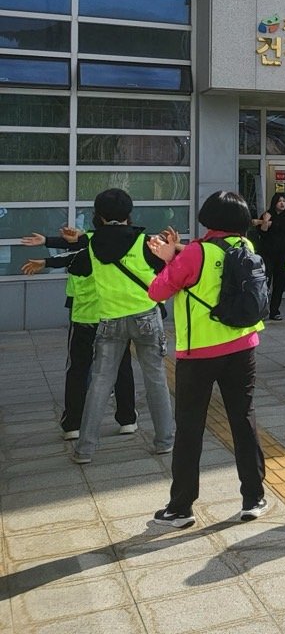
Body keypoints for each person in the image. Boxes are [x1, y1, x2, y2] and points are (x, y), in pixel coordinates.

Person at [144, 191, 270, 528]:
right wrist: (178, 253)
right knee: (243, 419)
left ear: (208, 218)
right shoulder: (245, 246)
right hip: (242, 345)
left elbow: (157, 291)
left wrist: (169, 259)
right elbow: (217, 261)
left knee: (190, 428)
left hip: (198, 352)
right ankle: (254, 498)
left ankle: (181, 508)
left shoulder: (195, 253)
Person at [70, 189, 175, 465]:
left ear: (99, 215)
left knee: (100, 382)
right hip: (146, 316)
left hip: (109, 320)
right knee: (155, 378)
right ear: (129, 213)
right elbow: (165, 272)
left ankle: (85, 449)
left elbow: (78, 267)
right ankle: (164, 441)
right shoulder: (143, 241)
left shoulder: (92, 243)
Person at [21, 231, 138, 441]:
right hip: (114, 314)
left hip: (85, 315)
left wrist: (46, 256)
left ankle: (73, 424)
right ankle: (127, 419)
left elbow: (73, 253)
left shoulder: (90, 245)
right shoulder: (125, 242)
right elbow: (75, 245)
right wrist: (47, 242)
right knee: (121, 366)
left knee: (78, 369)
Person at [251, 193, 285, 320]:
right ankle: (263, 310)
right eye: (279, 201)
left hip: (283, 254)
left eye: (284, 201)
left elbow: (284, 228)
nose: (282, 203)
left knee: (280, 284)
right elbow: (262, 232)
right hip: (267, 254)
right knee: (265, 282)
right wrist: (265, 221)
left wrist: (266, 223)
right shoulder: (267, 214)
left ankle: (275, 311)